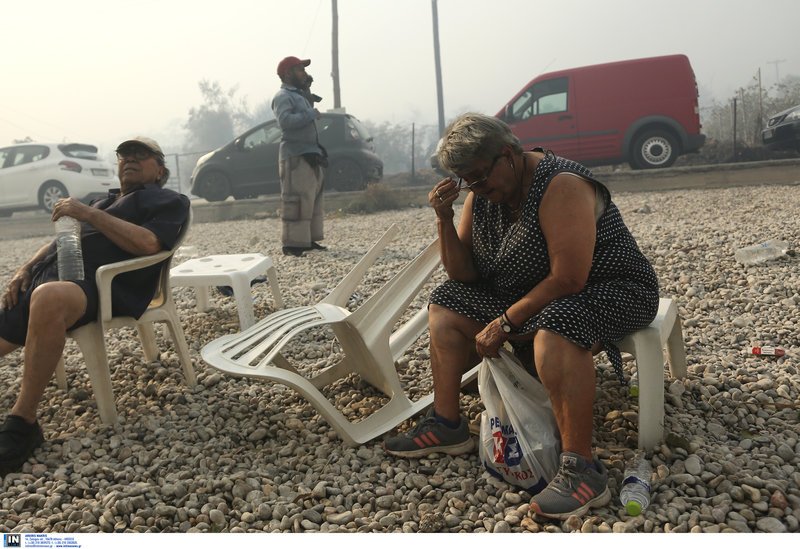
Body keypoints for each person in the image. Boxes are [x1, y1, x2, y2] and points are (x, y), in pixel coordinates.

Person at [383, 113, 659, 520]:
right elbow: (464, 275)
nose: (475, 188)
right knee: (445, 302)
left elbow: (568, 278)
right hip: (528, 294)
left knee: (557, 325)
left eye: (478, 177)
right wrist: (443, 218)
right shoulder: (485, 194)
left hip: (611, 288)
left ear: (508, 155)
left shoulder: (561, 183)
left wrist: (506, 322)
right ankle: (447, 423)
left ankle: (581, 469)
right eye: (466, 182)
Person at [0, 137, 190, 476]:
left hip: (103, 286)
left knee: (48, 298)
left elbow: (149, 243)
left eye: (141, 154)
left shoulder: (167, 200)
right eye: (124, 154)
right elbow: (59, 240)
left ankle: (22, 422)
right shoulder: (103, 199)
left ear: (160, 169)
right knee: (26, 305)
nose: (130, 159)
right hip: (51, 280)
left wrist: (86, 213)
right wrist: (24, 269)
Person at [271, 56, 328, 257]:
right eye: (299, 70)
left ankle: (308, 240)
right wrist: (311, 114)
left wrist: (306, 91)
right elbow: (285, 121)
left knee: (311, 197)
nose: (304, 73)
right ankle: (293, 243)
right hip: (294, 155)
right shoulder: (282, 96)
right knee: (295, 199)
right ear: (287, 74)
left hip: (310, 152)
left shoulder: (299, 95)